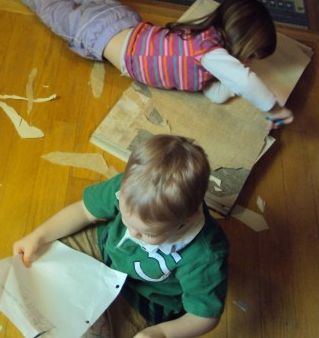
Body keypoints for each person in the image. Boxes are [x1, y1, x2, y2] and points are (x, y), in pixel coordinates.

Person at [0, 0, 293, 129]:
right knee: (50, 8)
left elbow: (216, 95)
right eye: (251, 56)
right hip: (93, 33)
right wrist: (274, 108)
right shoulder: (210, 53)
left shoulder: (207, 44)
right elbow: (244, 80)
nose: (248, 65)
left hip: (124, 20)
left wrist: (231, 86)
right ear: (241, 42)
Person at [14, 134, 228, 337]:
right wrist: (39, 235)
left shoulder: (206, 254)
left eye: (146, 233)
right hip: (102, 246)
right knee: (40, 260)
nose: (132, 233)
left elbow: (204, 316)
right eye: (125, 217)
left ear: (189, 218)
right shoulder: (134, 187)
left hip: (142, 298)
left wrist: (162, 333)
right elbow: (84, 211)